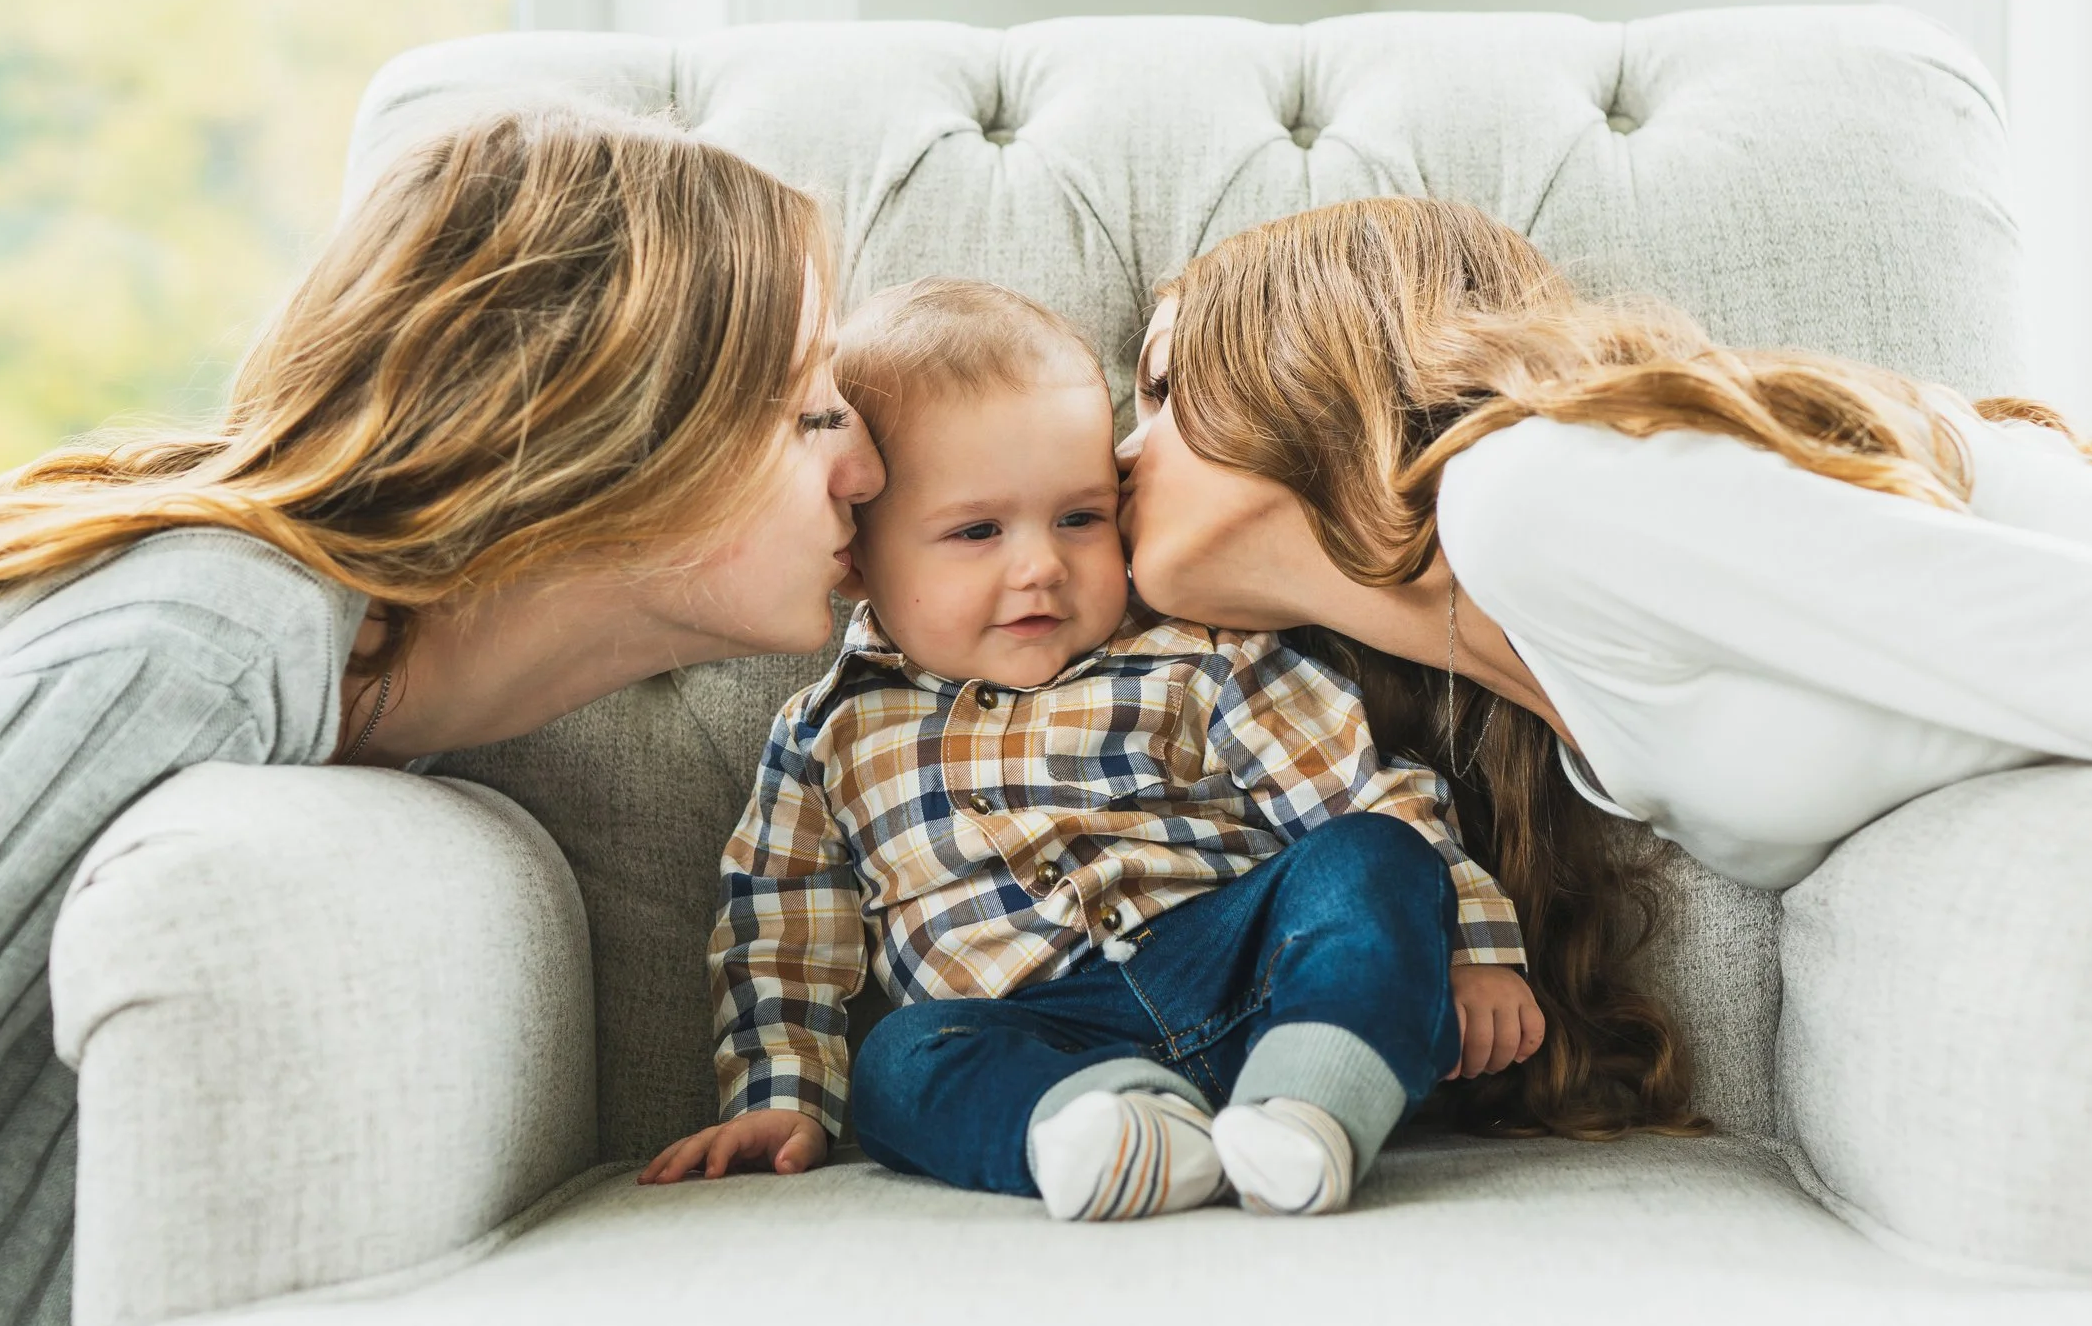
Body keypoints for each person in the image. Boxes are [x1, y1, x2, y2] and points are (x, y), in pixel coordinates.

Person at [0, 104, 884, 1326]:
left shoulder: (372, 704)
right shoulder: (194, 643)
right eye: (811, 410)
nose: (870, 467)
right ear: (616, 422)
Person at [1113, 196, 2092, 1042]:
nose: (1119, 450)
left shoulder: (1537, 495)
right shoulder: (1558, 709)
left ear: (1300, 364)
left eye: (1163, 388)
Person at [640, 278, 1541, 1220]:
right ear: (860, 560)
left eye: (1079, 517)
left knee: (1371, 855)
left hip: (1243, 974)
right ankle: (1109, 1135)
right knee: (900, 1062)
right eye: (977, 531)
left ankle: (1311, 1106)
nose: (1041, 564)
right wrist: (780, 1099)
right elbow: (779, 937)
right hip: (1038, 1026)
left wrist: (1469, 947)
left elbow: (1358, 784)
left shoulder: (1196, 655)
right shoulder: (825, 737)